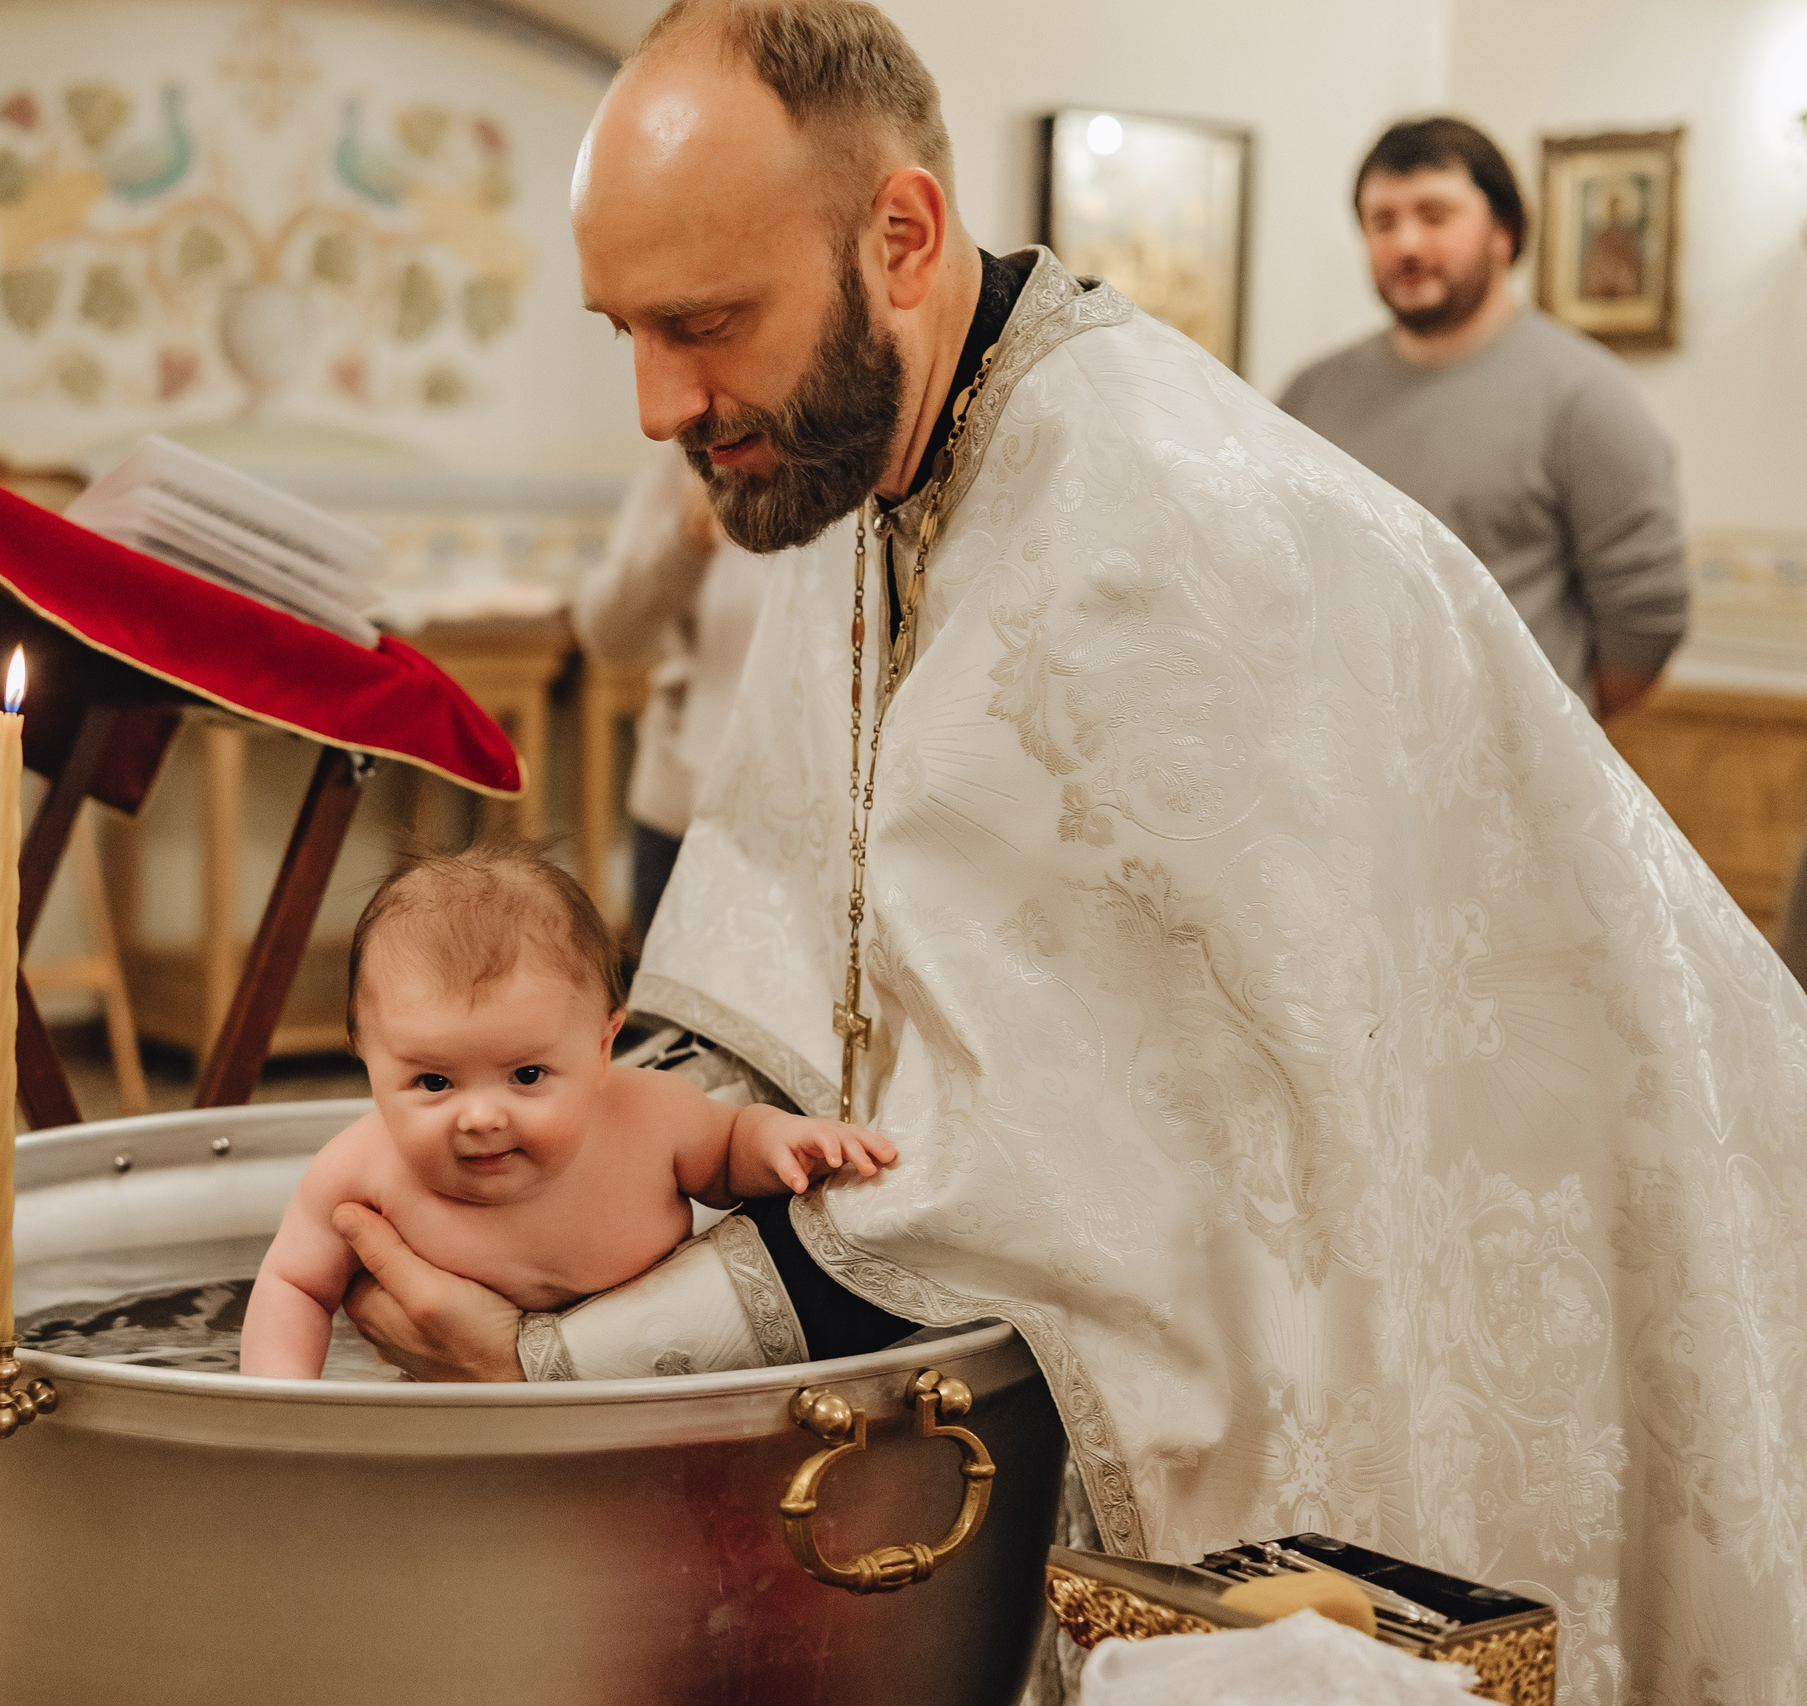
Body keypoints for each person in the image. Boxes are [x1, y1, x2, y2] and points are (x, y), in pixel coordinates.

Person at [326, 3, 1807, 1699]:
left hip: (1406, 1333)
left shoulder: (1166, 541)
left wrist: (572, 1353)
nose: (662, 400)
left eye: (703, 323)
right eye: (626, 332)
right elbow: (795, 994)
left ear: (902, 235)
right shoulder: (862, 455)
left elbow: (1115, 1186)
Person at [238, 848, 890, 1378]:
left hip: (645, 1388)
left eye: (527, 1076)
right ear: (365, 1058)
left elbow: (727, 1150)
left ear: (604, 1047)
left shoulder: (649, 1117)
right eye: (433, 1081)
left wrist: (781, 1140)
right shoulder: (356, 1172)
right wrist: (281, 1406)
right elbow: (295, 1285)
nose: (481, 1116)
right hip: (442, 1404)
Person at [1281, 119, 1686, 718]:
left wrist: (1549, 731)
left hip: (1520, 782)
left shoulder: (1586, 397)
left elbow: (1646, 619)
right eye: (1382, 221)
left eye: (1435, 215)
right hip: (1339, 763)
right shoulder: (1310, 395)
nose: (1407, 245)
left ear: (1504, 231)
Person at [572, 447, 774, 947]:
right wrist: (683, 543)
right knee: (668, 1015)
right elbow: (605, 635)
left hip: (818, 817)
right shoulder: (687, 456)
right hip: (682, 808)